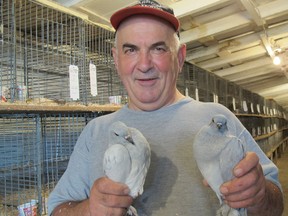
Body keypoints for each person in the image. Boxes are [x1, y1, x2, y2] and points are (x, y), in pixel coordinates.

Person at [48, 0, 284, 215]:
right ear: (116, 60)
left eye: (158, 48)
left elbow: (276, 204)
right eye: (131, 50)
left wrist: (259, 194)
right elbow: (58, 209)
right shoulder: (96, 131)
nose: (144, 64)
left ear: (180, 58)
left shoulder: (218, 118)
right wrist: (89, 210)